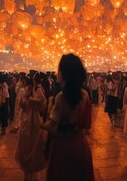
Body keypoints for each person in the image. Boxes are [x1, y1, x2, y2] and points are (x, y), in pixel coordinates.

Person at [44, 53, 94, 181]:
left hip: (61, 148)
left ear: (64, 73)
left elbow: (52, 125)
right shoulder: (85, 95)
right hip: (80, 145)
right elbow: (87, 124)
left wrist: (48, 107)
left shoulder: (60, 97)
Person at [16, 74, 47, 180]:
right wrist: (26, 98)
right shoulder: (26, 90)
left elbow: (43, 102)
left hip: (35, 119)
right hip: (26, 119)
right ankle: (26, 169)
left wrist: (32, 99)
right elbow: (22, 104)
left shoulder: (38, 89)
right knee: (25, 144)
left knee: (34, 143)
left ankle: (32, 169)